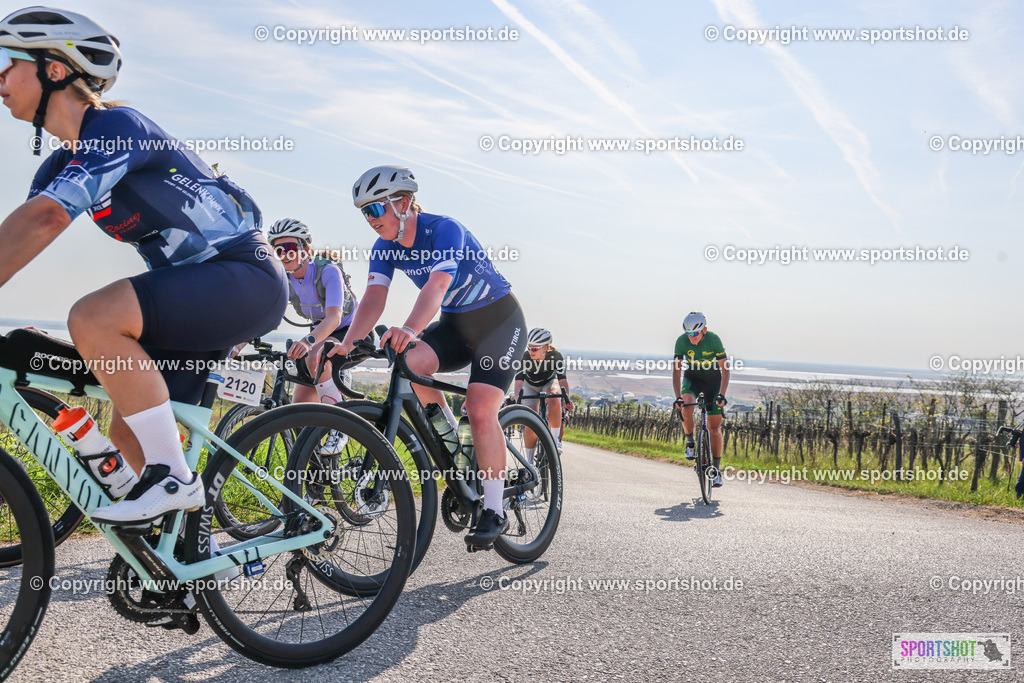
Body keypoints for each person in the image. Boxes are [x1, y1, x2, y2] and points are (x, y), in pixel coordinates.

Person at [0, 7, 287, 525]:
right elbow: (22, 234)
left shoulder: (118, 127)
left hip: (243, 276)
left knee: (93, 317)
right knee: (128, 436)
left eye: (7, 59)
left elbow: (45, 218)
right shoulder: (59, 165)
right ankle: (179, 553)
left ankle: (174, 480)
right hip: (194, 291)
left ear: (55, 69)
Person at [332, 165, 526, 548]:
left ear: (404, 203)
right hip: (456, 327)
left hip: (499, 323)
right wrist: (347, 343)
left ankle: (494, 509)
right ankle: (457, 448)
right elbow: (373, 298)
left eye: (375, 209)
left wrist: (409, 328)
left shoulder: (444, 230)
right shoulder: (384, 247)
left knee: (480, 407)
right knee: (412, 363)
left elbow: (438, 284)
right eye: (364, 212)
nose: (370, 219)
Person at [261, 219, 358, 452]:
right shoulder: (285, 279)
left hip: (349, 330)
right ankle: (314, 465)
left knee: (317, 355)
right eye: (278, 250)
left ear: (305, 248)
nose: (284, 255)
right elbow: (264, 314)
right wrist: (238, 343)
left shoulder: (328, 271)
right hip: (320, 331)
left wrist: (307, 341)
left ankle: (340, 426)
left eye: (290, 248)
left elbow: (334, 318)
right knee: (300, 411)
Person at [672, 312, 730, 487]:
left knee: (714, 428)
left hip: (713, 382)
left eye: (695, 333)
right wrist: (678, 397)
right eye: (688, 333)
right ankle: (690, 441)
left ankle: (716, 470)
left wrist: (722, 394)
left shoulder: (714, 340)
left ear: (704, 330)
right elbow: (676, 371)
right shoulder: (681, 342)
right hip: (693, 380)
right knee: (686, 407)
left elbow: (725, 370)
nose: (691, 337)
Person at [513, 328, 573, 458]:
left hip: (549, 383)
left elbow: (562, 380)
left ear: (545, 348)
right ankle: (529, 461)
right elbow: (518, 382)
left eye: (534, 349)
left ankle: (555, 442)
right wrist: (518, 400)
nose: (530, 351)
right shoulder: (524, 357)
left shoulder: (556, 356)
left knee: (554, 396)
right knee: (531, 415)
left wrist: (566, 399)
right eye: (529, 348)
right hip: (530, 385)